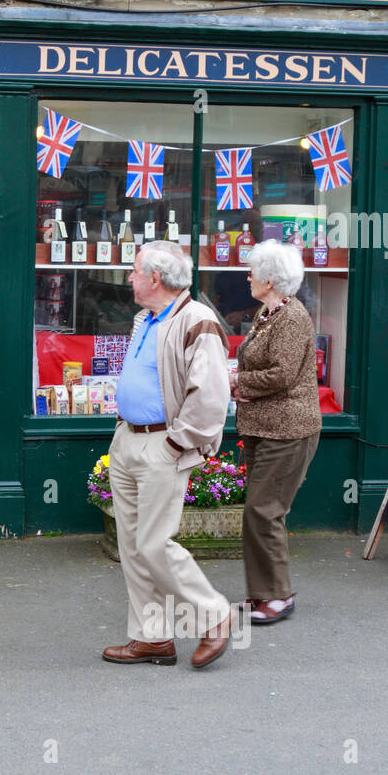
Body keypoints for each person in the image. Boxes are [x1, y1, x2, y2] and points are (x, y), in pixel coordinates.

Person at [102, 241, 234, 669]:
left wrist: (178, 443)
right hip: (128, 441)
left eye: (135, 270)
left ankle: (215, 616)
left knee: (155, 544)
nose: (130, 278)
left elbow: (212, 395)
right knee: (134, 546)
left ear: (155, 278)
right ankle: (152, 637)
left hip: (162, 445)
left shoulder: (198, 320)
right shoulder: (147, 318)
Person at [230, 240, 321, 624]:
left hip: (288, 430)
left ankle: (277, 597)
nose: (248, 276)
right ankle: (262, 594)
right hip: (264, 427)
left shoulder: (292, 317)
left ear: (269, 279)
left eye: (252, 271)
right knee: (263, 512)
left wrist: (236, 384)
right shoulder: (269, 313)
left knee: (263, 511)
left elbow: (282, 375)